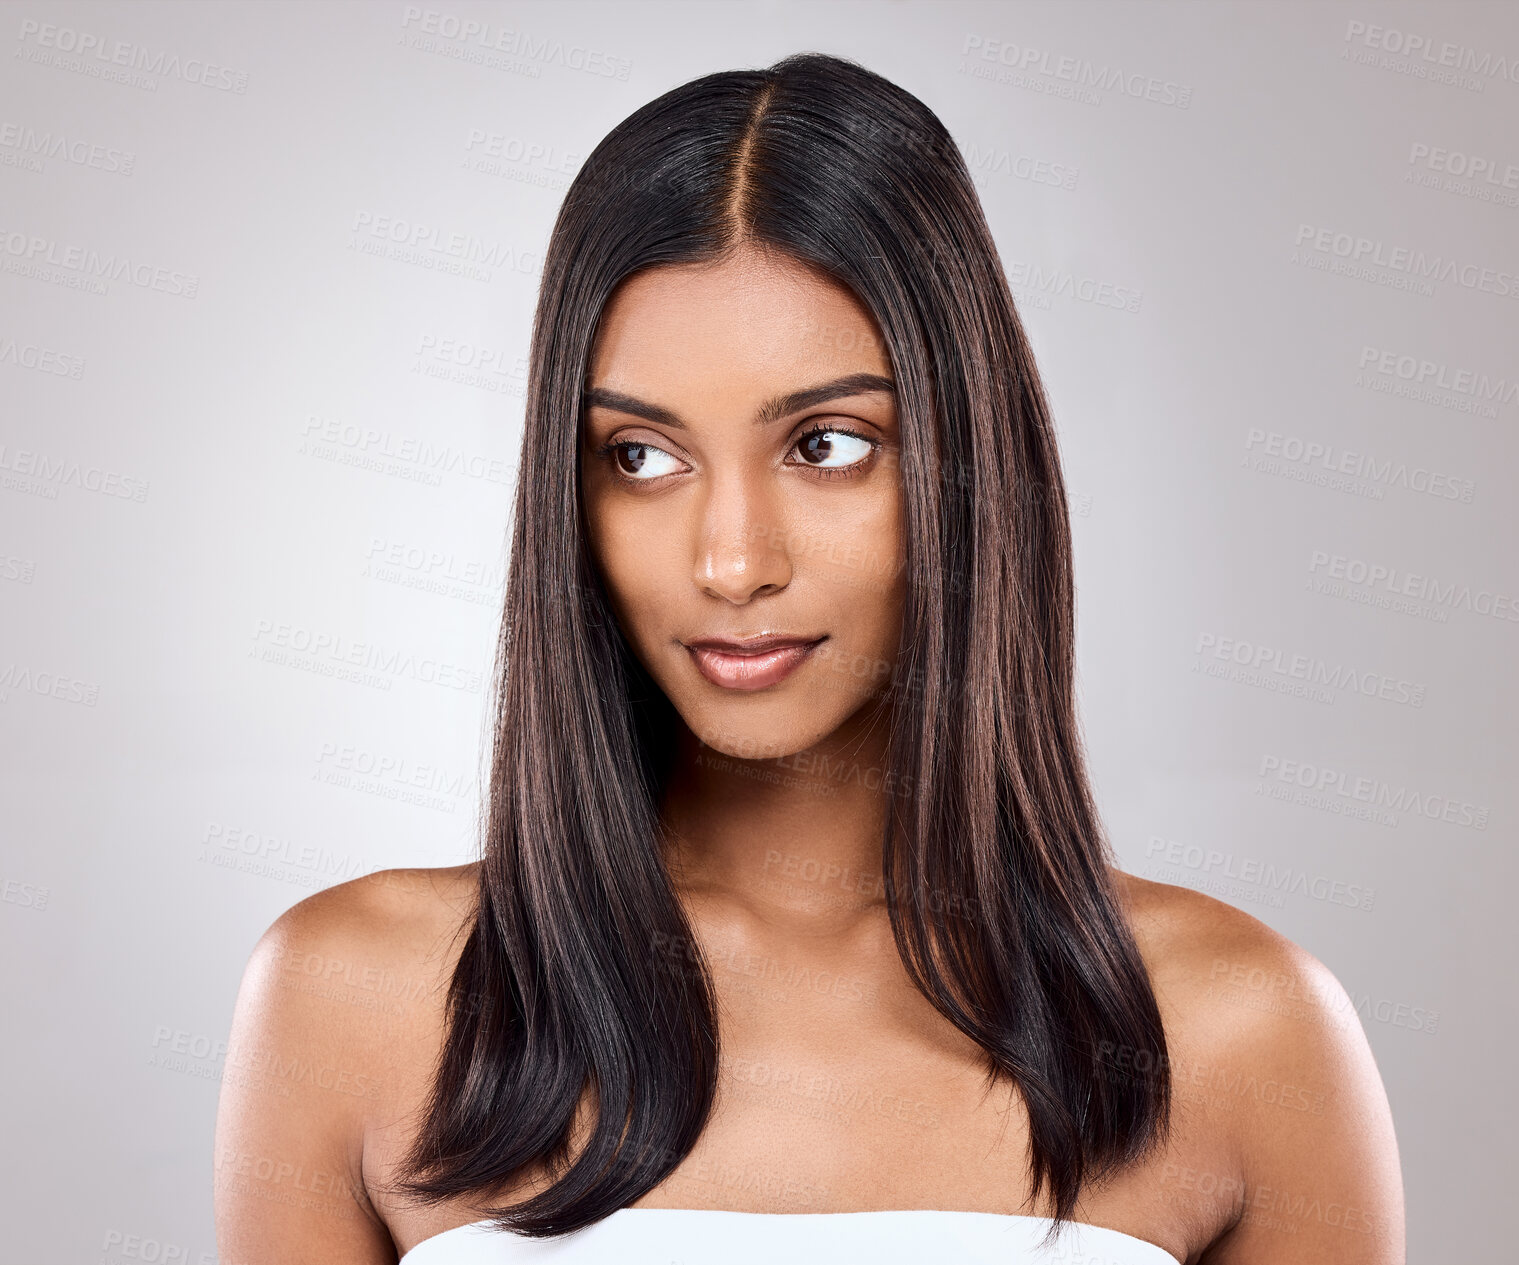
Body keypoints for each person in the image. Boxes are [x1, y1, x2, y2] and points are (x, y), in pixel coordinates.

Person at [215, 51, 1405, 1264]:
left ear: (966, 460)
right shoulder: (352, 1001)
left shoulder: (1243, 1034)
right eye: (640, 455)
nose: (733, 563)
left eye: (827, 443)